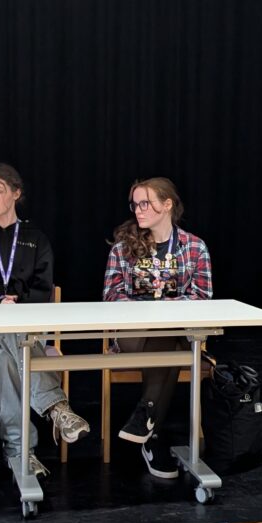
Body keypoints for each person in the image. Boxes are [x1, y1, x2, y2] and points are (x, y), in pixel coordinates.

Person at [0, 160, 89, 478]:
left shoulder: (36, 239)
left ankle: (20, 452)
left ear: (16, 193)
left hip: (25, 331)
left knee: (9, 360)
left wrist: (19, 305)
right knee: (8, 330)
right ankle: (57, 409)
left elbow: (45, 289)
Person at [102, 177, 213, 479]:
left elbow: (203, 297)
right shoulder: (124, 247)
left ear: (167, 205)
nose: (138, 210)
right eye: (135, 204)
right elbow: (112, 295)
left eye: (145, 203)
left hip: (175, 333)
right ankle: (150, 424)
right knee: (172, 343)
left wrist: (168, 308)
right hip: (132, 334)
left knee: (171, 339)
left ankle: (148, 425)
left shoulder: (194, 247)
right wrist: (150, 309)